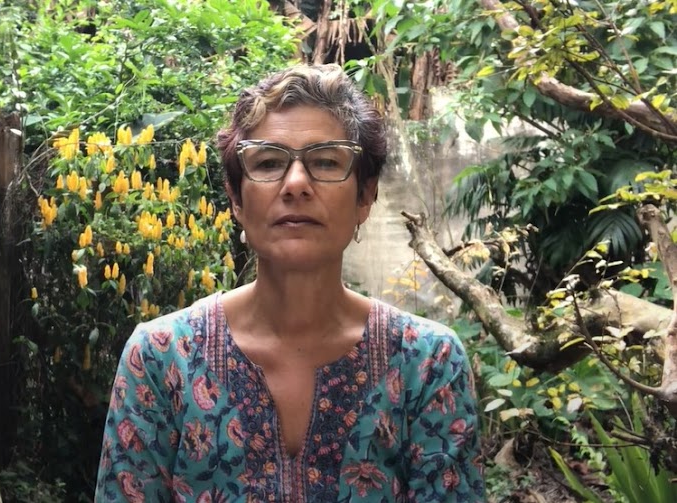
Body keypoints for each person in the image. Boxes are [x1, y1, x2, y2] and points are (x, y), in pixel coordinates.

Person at [95, 64, 485, 502]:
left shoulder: (428, 364)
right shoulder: (161, 359)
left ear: (365, 195)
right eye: (268, 163)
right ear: (236, 198)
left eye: (325, 161)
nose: (296, 184)